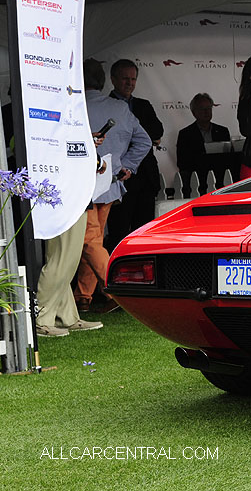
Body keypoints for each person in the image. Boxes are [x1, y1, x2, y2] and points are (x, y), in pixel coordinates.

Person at [75, 59, 152, 313]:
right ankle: (83, 295)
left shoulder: (74, 105)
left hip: (82, 183)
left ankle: (118, 292)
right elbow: (145, 141)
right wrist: (126, 167)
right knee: (94, 239)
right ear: (104, 80)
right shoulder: (120, 108)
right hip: (108, 183)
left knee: (89, 241)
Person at [35, 130, 108, 336]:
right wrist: (92, 153)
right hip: (64, 194)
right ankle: (42, 318)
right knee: (62, 260)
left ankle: (65, 316)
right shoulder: (57, 118)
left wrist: (88, 145)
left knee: (66, 261)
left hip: (72, 194)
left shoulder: (65, 117)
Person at [104, 59, 163, 251]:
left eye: (133, 79)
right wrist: (137, 137)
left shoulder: (143, 105)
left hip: (145, 178)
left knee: (144, 233)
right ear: (113, 79)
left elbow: (157, 131)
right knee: (118, 233)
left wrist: (131, 135)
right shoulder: (105, 105)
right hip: (119, 180)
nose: (129, 83)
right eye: (125, 79)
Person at [176, 92, 232, 198]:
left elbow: (228, 159)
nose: (206, 112)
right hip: (196, 184)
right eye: (202, 109)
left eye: (209, 108)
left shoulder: (222, 131)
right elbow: (182, 163)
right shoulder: (185, 134)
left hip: (221, 182)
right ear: (194, 112)